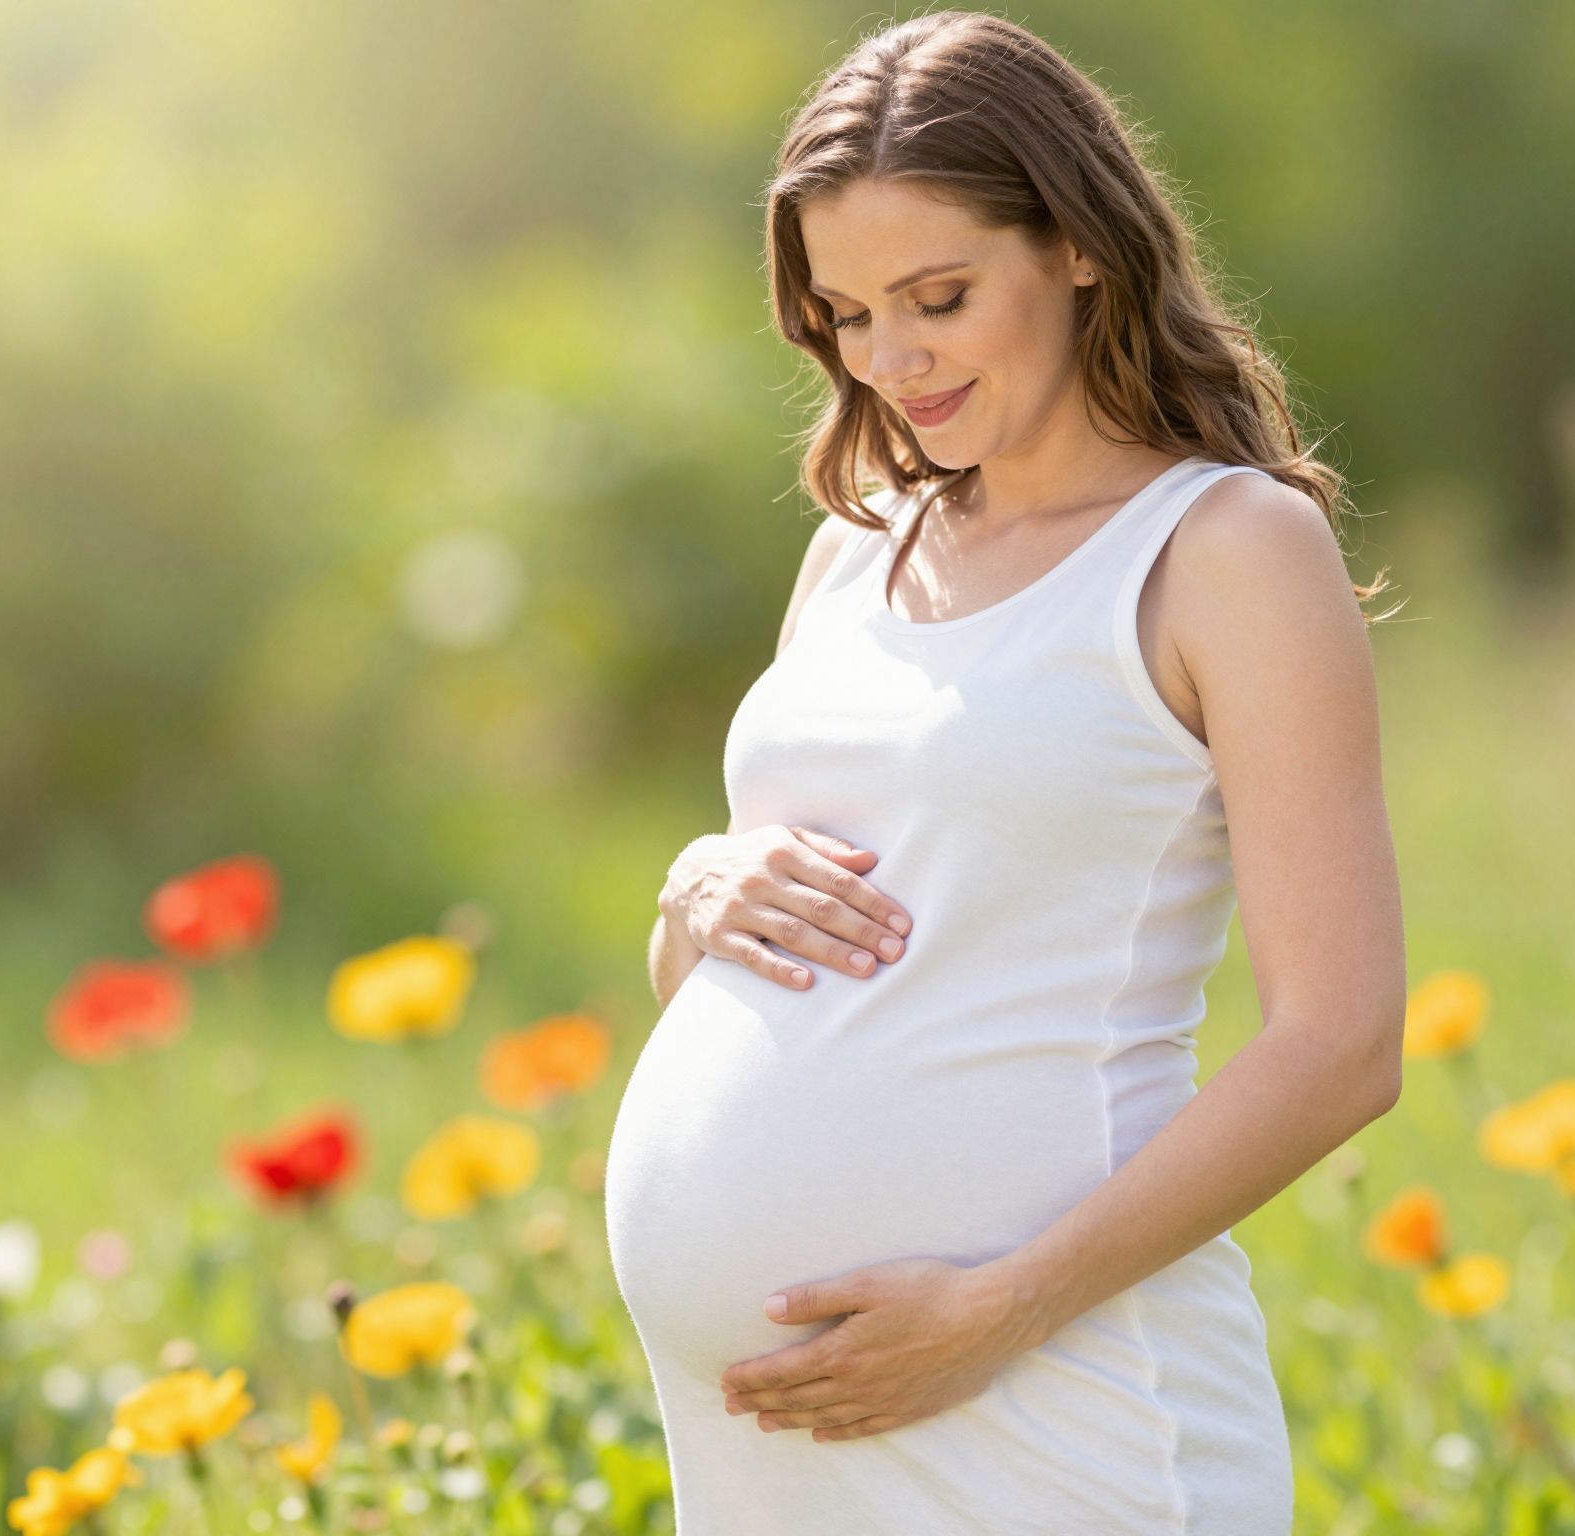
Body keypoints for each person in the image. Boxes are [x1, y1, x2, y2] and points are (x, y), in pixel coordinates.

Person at [603, 12, 1405, 1533]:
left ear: (1081, 248)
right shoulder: (853, 555)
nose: (891, 360)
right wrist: (696, 891)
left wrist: (999, 1313)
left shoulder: (1224, 552)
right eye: (846, 313)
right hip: (774, 1456)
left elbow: (1345, 1042)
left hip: (1058, 1410)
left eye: (941, 296)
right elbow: (761, 972)